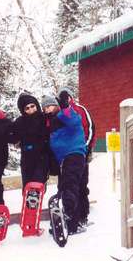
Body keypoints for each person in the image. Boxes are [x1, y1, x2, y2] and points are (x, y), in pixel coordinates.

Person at [43, 92, 87, 235]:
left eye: (50, 106)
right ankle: (70, 219)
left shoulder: (64, 116)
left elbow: (74, 120)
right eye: (45, 107)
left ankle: (70, 220)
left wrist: (65, 107)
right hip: (65, 159)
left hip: (74, 154)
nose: (48, 109)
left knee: (69, 186)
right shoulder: (51, 122)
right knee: (65, 187)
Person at [57, 87, 96, 227]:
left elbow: (90, 128)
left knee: (82, 185)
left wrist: (86, 148)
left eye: (66, 97)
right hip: (67, 155)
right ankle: (73, 217)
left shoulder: (80, 109)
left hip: (81, 152)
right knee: (70, 185)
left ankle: (82, 216)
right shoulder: (60, 113)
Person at [9, 93, 49, 189]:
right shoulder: (19, 122)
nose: (31, 110)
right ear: (23, 110)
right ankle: (27, 204)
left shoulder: (44, 118)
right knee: (27, 187)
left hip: (42, 157)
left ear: (36, 105)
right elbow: (12, 136)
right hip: (27, 157)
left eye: (32, 106)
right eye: (27, 108)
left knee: (37, 185)